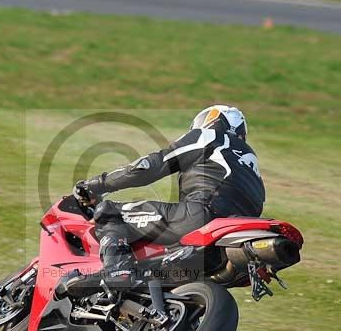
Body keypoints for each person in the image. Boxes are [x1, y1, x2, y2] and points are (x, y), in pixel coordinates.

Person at [74, 105, 265, 289]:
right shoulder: (251, 166)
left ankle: (116, 271)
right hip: (228, 239)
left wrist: (96, 184)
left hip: (202, 217)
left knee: (108, 212)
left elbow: (148, 167)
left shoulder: (209, 136)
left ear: (212, 120)